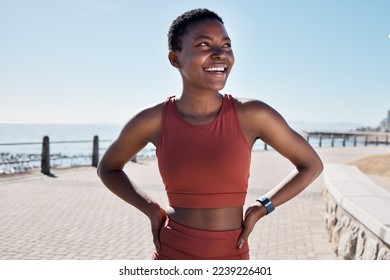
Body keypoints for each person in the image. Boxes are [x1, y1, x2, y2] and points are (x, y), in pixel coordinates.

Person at [97, 8, 323, 260]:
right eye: (204, 44)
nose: (220, 54)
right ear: (175, 58)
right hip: (171, 252)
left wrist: (262, 207)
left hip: (231, 254)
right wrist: (150, 209)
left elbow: (311, 165)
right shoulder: (152, 120)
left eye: (226, 45)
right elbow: (108, 168)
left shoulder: (253, 114)